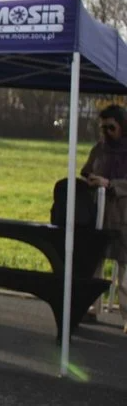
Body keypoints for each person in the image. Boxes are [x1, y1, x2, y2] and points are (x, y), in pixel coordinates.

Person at [81, 104, 127, 334]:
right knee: (95, 262)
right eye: (103, 127)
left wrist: (110, 184)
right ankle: (91, 306)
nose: (107, 132)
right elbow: (87, 169)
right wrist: (92, 179)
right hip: (100, 213)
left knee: (124, 270)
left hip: (123, 215)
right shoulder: (99, 148)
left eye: (111, 127)